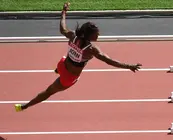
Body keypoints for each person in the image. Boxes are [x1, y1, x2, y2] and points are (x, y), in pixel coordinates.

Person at [14, 2, 142, 112]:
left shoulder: (73, 36)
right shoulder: (91, 49)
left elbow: (62, 28)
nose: (99, 35)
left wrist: (63, 12)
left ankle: (57, 70)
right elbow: (109, 61)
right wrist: (128, 66)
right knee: (48, 92)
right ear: (89, 35)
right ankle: (24, 106)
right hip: (68, 78)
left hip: (62, 64)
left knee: (65, 60)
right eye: (97, 34)